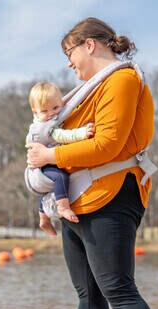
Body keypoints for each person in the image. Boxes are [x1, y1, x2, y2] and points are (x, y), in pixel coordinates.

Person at [26, 17, 158, 309]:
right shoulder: (83, 92)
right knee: (88, 293)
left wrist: (49, 157)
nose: (69, 64)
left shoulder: (122, 81)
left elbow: (108, 144)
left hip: (113, 194)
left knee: (118, 288)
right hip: (79, 202)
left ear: (89, 45)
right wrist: (44, 192)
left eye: (70, 53)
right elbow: (64, 142)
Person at [27, 82, 95, 223]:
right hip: (42, 168)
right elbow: (64, 136)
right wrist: (83, 132)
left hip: (40, 167)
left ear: (62, 104)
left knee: (51, 188)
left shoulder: (37, 124)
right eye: (45, 111)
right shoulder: (47, 127)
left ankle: (43, 217)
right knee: (60, 177)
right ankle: (63, 207)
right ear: (35, 112)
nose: (51, 114)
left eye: (55, 108)